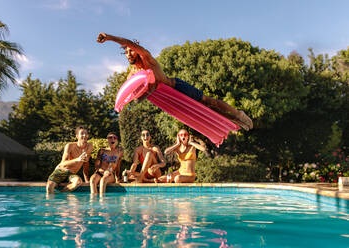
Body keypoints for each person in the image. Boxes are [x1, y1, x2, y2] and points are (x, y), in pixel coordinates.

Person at [96, 33, 253, 131]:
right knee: (204, 111)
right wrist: (121, 105)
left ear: (136, 50)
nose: (129, 53)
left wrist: (110, 38)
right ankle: (234, 122)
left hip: (177, 87)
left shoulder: (147, 59)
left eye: (131, 50)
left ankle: (239, 114)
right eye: (127, 52)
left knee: (208, 101)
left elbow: (130, 43)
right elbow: (135, 96)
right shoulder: (133, 75)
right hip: (167, 99)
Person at [46, 126, 93, 194]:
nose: (84, 135)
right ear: (77, 136)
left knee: (78, 182)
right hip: (61, 170)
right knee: (49, 187)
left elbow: (86, 164)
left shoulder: (89, 146)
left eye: (86, 133)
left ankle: (61, 195)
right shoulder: (70, 146)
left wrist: (86, 180)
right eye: (82, 133)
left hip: (71, 174)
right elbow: (63, 163)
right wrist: (77, 159)